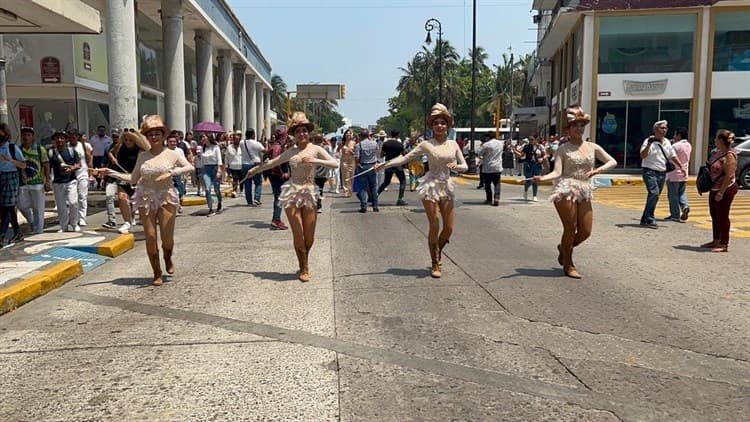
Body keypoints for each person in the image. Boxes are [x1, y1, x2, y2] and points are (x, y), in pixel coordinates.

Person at [374, 104, 468, 278]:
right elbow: (405, 158)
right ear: (432, 126)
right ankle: (435, 261)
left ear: (447, 125)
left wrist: (457, 166)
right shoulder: (426, 144)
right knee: (435, 223)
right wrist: (384, 164)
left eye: (442, 122)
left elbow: (465, 165)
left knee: (449, 228)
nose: (439, 125)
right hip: (431, 185)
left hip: (446, 185)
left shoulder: (454, 144)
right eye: (436, 123)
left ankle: (438, 249)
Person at [244, 112, 338, 282]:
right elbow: (273, 162)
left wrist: (316, 161)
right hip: (292, 193)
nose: (302, 134)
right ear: (294, 135)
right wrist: (255, 170)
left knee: (309, 237)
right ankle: (304, 267)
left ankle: (305, 259)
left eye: (304, 131)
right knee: (298, 233)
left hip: (310, 193)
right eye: (298, 131)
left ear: (308, 133)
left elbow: (335, 163)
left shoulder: (316, 149)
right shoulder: (291, 152)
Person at [102, 115, 193, 286]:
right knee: (150, 236)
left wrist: (171, 173)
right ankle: (156, 272)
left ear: (163, 135)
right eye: (150, 134)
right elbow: (133, 178)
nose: (154, 137)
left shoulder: (172, 154)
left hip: (166, 197)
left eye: (157, 134)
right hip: (146, 198)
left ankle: (168, 256)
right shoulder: (143, 156)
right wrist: (110, 172)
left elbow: (190, 166)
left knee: (167, 239)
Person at [534, 106, 617, 279]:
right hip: (566, 188)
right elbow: (557, 172)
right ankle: (568, 263)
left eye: (581, 125)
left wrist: (598, 170)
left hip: (584, 188)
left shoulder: (592, 146)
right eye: (575, 125)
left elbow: (612, 161)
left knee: (586, 231)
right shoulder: (562, 149)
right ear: (569, 129)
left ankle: (563, 248)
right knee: (570, 228)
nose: (579, 128)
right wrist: (542, 178)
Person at [639, 120, 685, 229]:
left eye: (665, 128)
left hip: (661, 172)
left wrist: (681, 166)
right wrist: (649, 144)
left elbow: (672, 156)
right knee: (654, 193)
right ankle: (650, 218)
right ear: (655, 129)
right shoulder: (648, 141)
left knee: (655, 195)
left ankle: (645, 218)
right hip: (649, 171)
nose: (664, 130)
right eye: (661, 128)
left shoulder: (667, 142)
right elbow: (643, 155)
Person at [701, 130, 738, 253]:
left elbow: (729, 176)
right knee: (714, 214)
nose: (714, 139)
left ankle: (724, 243)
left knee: (723, 216)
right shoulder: (717, 153)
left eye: (716, 138)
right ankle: (716, 239)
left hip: (725, 189)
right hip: (714, 187)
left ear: (721, 140)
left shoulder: (729, 155)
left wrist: (721, 193)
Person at [102, 129, 142, 233]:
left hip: (136, 176)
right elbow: (110, 152)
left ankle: (132, 218)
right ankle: (127, 222)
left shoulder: (141, 150)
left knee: (134, 200)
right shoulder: (120, 146)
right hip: (122, 176)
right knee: (122, 198)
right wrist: (113, 158)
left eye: (130, 140)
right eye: (126, 140)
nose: (128, 142)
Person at [17, 127, 51, 235]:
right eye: (24, 135)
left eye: (28, 135)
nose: (26, 137)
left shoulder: (40, 149)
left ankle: (38, 230)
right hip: (23, 183)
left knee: (38, 208)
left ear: (33, 137)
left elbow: (46, 165)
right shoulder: (18, 149)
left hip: (37, 183)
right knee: (21, 205)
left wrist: (47, 181)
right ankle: (32, 222)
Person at [48, 130, 81, 233]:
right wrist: (47, 180)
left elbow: (79, 164)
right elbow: (48, 167)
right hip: (57, 182)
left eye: (62, 138)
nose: (59, 140)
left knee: (73, 202)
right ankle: (64, 225)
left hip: (71, 181)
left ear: (66, 139)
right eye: (57, 138)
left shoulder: (71, 151)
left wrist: (72, 169)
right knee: (61, 205)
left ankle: (74, 223)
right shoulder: (51, 152)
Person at [0, 124, 27, 246]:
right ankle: (17, 232)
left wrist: (10, 160)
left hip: (11, 176)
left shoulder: (12, 148)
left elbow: (23, 165)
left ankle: (2, 235)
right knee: (7, 207)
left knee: (7, 206)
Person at [67, 129, 93, 226]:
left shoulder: (84, 146)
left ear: (78, 136)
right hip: (70, 175)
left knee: (82, 196)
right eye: (70, 135)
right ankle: (73, 217)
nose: (72, 137)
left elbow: (89, 160)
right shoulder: (66, 147)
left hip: (83, 174)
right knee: (71, 199)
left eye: (74, 135)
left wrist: (91, 174)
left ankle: (82, 218)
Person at [265, 129, 290, 230]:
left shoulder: (276, 145)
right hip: (276, 176)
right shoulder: (277, 147)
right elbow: (275, 164)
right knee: (279, 197)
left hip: (274, 176)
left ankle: (276, 218)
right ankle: (276, 219)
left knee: (278, 197)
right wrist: (283, 174)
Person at [666, 127, 692, 222]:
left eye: (675, 134)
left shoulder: (675, 146)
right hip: (684, 173)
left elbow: (670, 157)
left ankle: (675, 214)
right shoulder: (689, 145)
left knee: (673, 195)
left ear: (679, 135)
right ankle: (685, 206)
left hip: (673, 174)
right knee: (682, 193)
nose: (674, 136)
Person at [377, 130, 408, 205]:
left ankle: (375, 195)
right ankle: (400, 199)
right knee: (402, 181)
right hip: (398, 165)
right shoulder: (400, 144)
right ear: (397, 135)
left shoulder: (386, 144)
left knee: (386, 182)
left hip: (389, 164)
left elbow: (381, 155)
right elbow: (404, 154)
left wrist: (387, 154)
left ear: (391, 135)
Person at [514, 135, 546, 201]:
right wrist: (515, 151)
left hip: (537, 165)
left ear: (536, 140)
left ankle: (534, 195)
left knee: (535, 180)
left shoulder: (540, 147)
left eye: (532, 139)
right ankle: (525, 191)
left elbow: (545, 155)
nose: (530, 141)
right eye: (530, 139)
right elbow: (521, 155)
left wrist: (542, 159)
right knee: (528, 180)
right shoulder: (526, 146)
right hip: (528, 164)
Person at [355, 129, 380, 213]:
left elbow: (357, 158)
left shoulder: (359, 145)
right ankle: (375, 206)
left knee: (362, 187)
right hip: (372, 166)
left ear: (361, 136)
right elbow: (377, 153)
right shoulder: (374, 143)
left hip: (363, 166)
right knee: (373, 186)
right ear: (368, 135)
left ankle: (364, 206)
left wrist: (358, 165)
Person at [199, 133, 224, 216]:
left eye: (204, 136)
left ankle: (219, 201)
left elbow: (219, 159)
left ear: (209, 138)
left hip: (215, 168)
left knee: (217, 188)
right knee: (207, 188)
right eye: (201, 137)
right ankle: (210, 208)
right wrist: (201, 172)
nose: (202, 138)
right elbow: (202, 162)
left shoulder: (216, 147)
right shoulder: (202, 148)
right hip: (206, 169)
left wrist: (219, 170)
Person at [240, 129, 266, 206]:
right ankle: (256, 198)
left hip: (245, 165)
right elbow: (265, 151)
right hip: (255, 164)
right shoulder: (257, 144)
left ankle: (249, 202)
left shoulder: (242, 143)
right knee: (258, 182)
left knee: (247, 184)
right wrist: (265, 144)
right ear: (253, 135)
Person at [478, 131, 504, 206]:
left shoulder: (486, 145)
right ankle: (496, 198)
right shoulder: (500, 143)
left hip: (488, 167)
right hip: (497, 166)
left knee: (487, 184)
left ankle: (489, 199)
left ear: (488, 137)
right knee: (497, 183)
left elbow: (479, 153)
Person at [225, 130, 244, 198]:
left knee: (241, 179)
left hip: (241, 165)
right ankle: (234, 191)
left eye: (238, 139)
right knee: (235, 179)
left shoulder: (242, 147)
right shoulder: (229, 147)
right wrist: (226, 166)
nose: (236, 140)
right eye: (235, 139)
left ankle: (241, 191)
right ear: (233, 140)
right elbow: (226, 157)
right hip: (233, 167)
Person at [338, 129, 356, 197]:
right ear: (345, 135)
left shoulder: (354, 143)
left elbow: (356, 153)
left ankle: (350, 191)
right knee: (345, 176)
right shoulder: (342, 143)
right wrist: (338, 155)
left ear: (351, 135)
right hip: (344, 161)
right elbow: (337, 150)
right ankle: (346, 191)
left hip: (352, 161)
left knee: (351, 176)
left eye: (349, 133)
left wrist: (353, 153)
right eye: (347, 133)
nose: (348, 135)